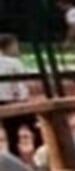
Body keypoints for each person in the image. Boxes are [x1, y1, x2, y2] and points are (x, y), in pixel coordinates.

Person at [0, 34, 42, 163]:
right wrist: (19, 96)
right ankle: (40, 155)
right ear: (9, 47)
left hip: (3, 101)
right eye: (15, 46)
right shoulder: (14, 62)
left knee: (11, 133)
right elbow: (21, 80)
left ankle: (15, 160)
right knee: (36, 128)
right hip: (17, 99)